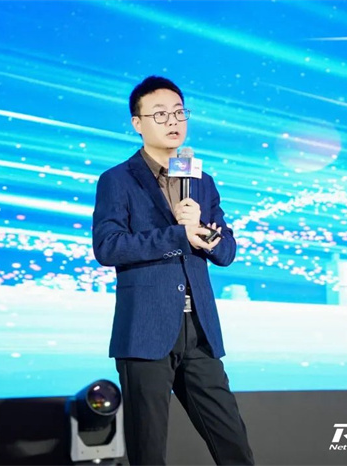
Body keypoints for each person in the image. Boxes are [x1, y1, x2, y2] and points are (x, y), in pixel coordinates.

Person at [92, 76, 255, 465]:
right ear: (138, 123)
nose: (173, 121)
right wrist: (177, 234)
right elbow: (108, 247)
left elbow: (227, 251)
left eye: (179, 112)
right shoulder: (117, 180)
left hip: (199, 332)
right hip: (145, 331)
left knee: (233, 445)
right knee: (148, 452)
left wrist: (204, 234)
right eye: (160, 114)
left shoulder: (201, 181)